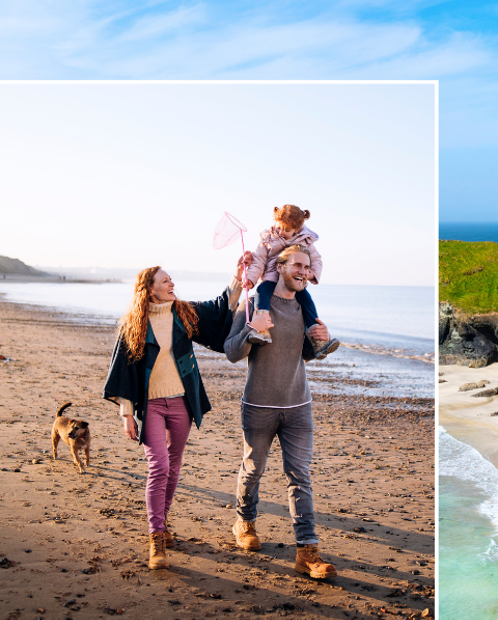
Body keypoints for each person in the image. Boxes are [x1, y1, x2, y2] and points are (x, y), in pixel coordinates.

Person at [103, 256, 247, 570]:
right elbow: (124, 371)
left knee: (173, 466)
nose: (172, 285)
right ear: (150, 290)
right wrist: (127, 413)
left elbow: (219, 306)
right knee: (158, 467)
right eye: (165, 281)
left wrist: (237, 277)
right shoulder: (134, 325)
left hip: (182, 402)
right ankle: (156, 538)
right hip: (151, 406)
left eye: (171, 280)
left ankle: (163, 521)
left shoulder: (183, 313)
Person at [226, 245, 337, 579]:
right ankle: (244, 523)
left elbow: (302, 354)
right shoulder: (254, 304)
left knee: (300, 476)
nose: (304, 271)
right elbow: (232, 352)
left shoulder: (304, 307)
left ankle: (307, 551)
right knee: (253, 469)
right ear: (280, 266)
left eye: (307, 266)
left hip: (298, 405)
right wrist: (251, 328)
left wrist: (321, 340)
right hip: (259, 405)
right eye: (298, 265)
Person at [245, 204, 339, 360]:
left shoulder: (305, 242)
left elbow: (316, 260)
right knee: (262, 293)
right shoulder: (268, 238)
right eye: (279, 227)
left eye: (287, 230)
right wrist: (250, 279)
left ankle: (317, 339)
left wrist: (311, 273)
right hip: (270, 278)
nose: (281, 232)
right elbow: (258, 260)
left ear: (297, 230)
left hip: (294, 284)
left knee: (307, 301)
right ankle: (262, 330)